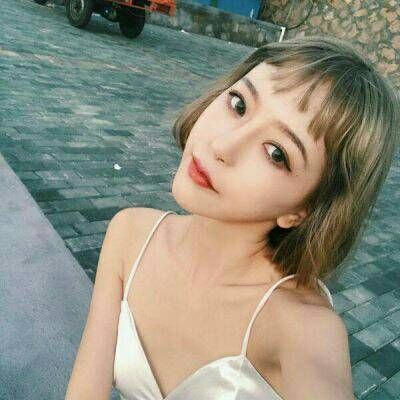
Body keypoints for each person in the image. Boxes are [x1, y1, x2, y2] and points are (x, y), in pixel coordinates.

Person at [65, 35, 399, 400]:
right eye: (239, 104)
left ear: (302, 211)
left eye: (276, 153)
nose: (222, 145)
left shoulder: (303, 328)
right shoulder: (129, 235)